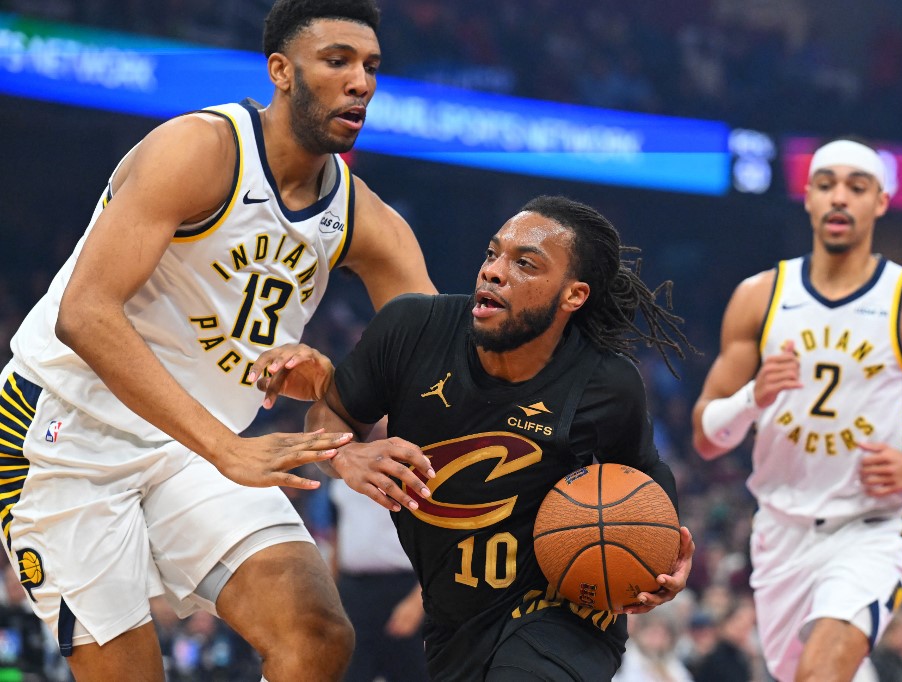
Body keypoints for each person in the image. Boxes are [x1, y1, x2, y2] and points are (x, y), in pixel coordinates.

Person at [0, 0, 435, 679]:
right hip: (66, 432)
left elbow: (434, 373)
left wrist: (334, 389)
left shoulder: (367, 220)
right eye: (338, 61)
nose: (361, 82)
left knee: (317, 635)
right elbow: (83, 315)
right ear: (281, 71)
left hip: (196, 454)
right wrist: (226, 448)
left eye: (371, 67)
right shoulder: (200, 150)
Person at [250, 195, 697, 681]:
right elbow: (330, 410)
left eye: (524, 263)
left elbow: (645, 475)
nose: (494, 271)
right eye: (492, 254)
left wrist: (663, 557)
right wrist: (345, 454)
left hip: (563, 613)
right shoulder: (411, 329)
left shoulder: (605, 382)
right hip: (453, 623)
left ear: (574, 295)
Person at [691, 138, 902, 682]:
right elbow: (705, 436)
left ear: (881, 201)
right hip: (779, 532)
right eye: (826, 184)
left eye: (856, 187)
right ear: (809, 198)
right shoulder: (759, 297)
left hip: (872, 526)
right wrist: (753, 397)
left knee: (821, 674)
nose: (840, 197)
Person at [328, 427, 430, 682]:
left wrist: (418, 602)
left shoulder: (416, 468)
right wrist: (329, 598)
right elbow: (339, 538)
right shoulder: (339, 469)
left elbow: (439, 545)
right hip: (354, 591)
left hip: (403, 588)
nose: (375, 422)